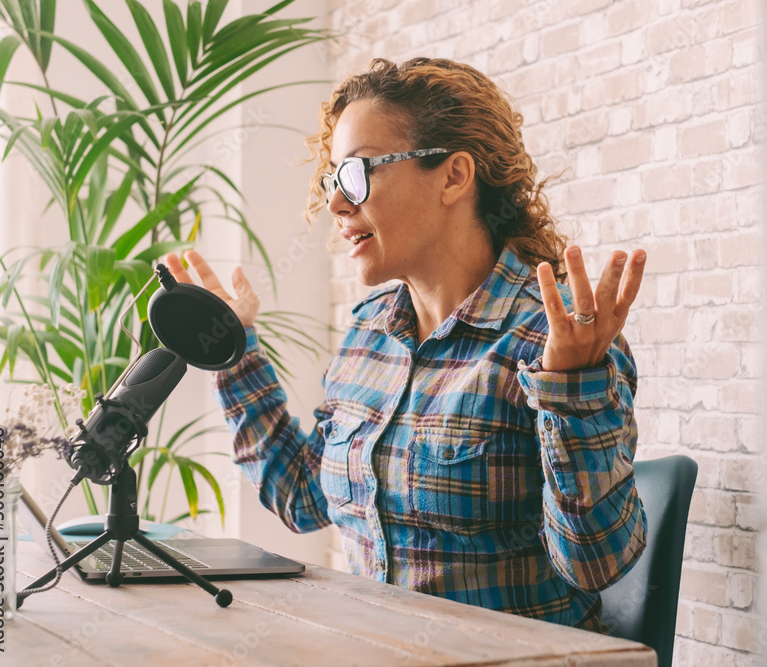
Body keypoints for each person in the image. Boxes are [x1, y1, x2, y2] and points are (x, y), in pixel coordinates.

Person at [164, 57, 648, 633]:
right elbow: (303, 498)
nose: (337, 205)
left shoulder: (556, 337)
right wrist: (234, 351)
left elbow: (595, 564)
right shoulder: (371, 333)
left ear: (453, 175)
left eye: (356, 174)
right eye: (332, 181)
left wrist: (572, 390)